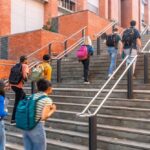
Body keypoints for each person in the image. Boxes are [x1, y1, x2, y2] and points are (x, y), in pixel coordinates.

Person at [23, 79, 56, 150]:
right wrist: (52, 110)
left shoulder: (31, 96)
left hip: (26, 126)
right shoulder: (47, 100)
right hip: (37, 127)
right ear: (49, 88)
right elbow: (44, 117)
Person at [10, 56, 29, 124]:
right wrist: (27, 78)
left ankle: (23, 116)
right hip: (18, 86)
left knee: (25, 98)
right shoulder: (25, 65)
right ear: (25, 60)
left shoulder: (16, 65)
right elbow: (25, 76)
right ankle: (13, 119)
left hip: (13, 85)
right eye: (27, 60)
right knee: (17, 102)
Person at [0, 80, 8, 150]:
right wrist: (6, 112)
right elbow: (1, 113)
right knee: (2, 143)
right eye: (4, 87)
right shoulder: (1, 98)